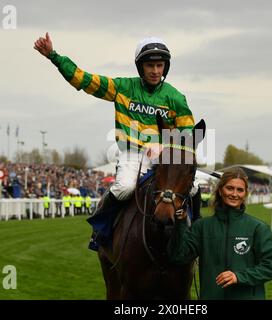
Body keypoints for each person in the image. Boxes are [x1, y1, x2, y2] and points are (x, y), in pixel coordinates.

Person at [34, 33, 200, 251]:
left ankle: (195, 235)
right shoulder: (123, 87)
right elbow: (85, 80)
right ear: (141, 67)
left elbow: (188, 134)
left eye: (160, 65)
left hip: (163, 156)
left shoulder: (176, 98)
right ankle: (100, 229)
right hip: (131, 152)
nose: (155, 71)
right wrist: (54, 57)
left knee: (195, 188)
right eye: (150, 65)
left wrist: (166, 145)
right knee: (124, 188)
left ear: (165, 67)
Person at [168, 168, 272, 300]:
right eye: (230, 188)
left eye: (240, 190)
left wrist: (239, 276)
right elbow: (178, 256)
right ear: (220, 191)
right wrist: (180, 224)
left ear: (245, 194)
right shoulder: (202, 227)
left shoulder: (258, 228)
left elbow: (270, 267)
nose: (234, 194)